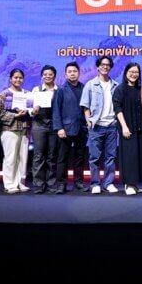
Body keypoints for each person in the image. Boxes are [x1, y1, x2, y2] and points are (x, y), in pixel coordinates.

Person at [81, 55, 120, 194]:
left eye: (108, 65)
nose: (105, 67)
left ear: (110, 67)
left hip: (111, 125)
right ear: (98, 67)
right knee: (94, 157)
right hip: (96, 126)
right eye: (102, 64)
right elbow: (85, 105)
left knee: (111, 157)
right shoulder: (90, 84)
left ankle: (108, 183)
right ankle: (95, 183)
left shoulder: (115, 85)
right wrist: (89, 121)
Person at [51, 61, 88, 193]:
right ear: (65, 74)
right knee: (62, 158)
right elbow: (56, 110)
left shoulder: (84, 88)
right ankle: (61, 184)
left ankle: (78, 182)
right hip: (65, 129)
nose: (72, 74)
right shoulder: (61, 90)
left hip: (81, 128)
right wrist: (59, 128)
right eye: (70, 72)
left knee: (80, 157)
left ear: (79, 73)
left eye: (75, 71)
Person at [113, 62, 142, 195]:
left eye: (136, 72)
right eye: (131, 72)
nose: (134, 74)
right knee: (129, 157)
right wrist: (124, 127)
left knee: (138, 156)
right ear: (126, 73)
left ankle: (135, 184)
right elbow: (117, 109)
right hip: (127, 128)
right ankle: (128, 184)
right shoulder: (120, 89)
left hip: (140, 128)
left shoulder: (141, 89)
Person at [0, 68, 31, 194]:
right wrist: (15, 115)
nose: (18, 80)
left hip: (24, 128)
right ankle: (9, 184)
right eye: (15, 77)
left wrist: (30, 111)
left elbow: (31, 110)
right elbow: (0, 113)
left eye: (20, 78)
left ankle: (21, 182)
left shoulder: (27, 93)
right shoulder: (4, 94)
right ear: (10, 78)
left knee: (23, 157)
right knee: (10, 157)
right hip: (9, 129)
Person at [30, 65, 58, 194]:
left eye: (50, 74)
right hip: (39, 124)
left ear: (54, 76)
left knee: (52, 156)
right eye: (45, 74)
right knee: (38, 155)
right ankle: (38, 184)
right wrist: (33, 111)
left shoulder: (58, 90)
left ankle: (51, 183)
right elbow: (30, 108)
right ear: (42, 76)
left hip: (53, 125)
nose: (47, 76)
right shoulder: (36, 90)